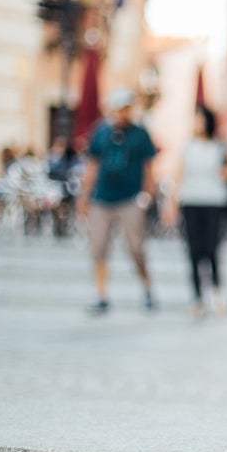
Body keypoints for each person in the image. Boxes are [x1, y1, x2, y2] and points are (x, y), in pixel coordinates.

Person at [76, 87, 158, 314]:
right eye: (120, 109)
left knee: (135, 247)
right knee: (98, 247)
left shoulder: (140, 134)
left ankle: (147, 288)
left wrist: (148, 194)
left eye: (127, 109)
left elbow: (148, 167)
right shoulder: (100, 132)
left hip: (130, 198)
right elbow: (92, 164)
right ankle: (101, 294)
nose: (123, 113)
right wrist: (84, 195)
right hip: (102, 199)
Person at [163, 106, 227, 318]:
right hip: (190, 201)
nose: (197, 124)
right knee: (193, 250)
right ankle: (197, 296)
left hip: (215, 201)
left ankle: (217, 291)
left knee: (211, 248)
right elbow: (178, 175)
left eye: (199, 119)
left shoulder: (220, 146)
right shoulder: (187, 147)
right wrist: (171, 202)